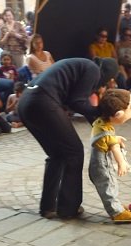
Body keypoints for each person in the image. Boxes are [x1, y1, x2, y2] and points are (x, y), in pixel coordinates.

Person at [17, 57, 119, 219]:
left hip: (26, 103)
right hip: (43, 102)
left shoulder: (85, 66)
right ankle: (68, 208)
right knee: (74, 152)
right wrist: (101, 110)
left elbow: (81, 104)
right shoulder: (93, 70)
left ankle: (48, 207)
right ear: (107, 74)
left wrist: (103, 130)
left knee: (57, 155)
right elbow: (77, 103)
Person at [89, 89, 131, 223]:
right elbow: (114, 148)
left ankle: (116, 206)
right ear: (118, 114)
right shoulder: (106, 132)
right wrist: (122, 164)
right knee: (108, 186)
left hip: (97, 164)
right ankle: (116, 213)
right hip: (102, 166)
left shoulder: (101, 122)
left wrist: (114, 139)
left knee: (109, 186)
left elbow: (108, 138)